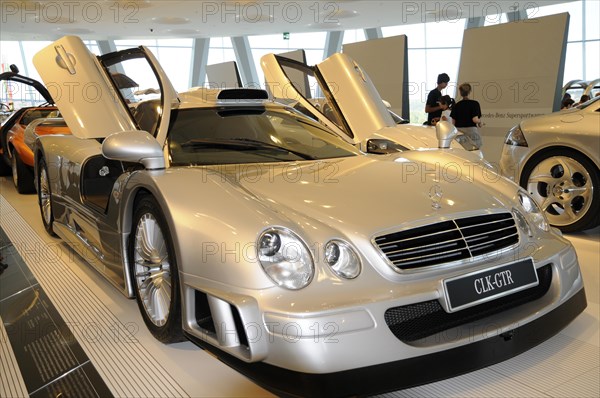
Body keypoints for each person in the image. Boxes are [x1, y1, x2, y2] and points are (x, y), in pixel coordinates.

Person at [450, 83, 483, 149]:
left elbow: (453, 123)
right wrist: (480, 122)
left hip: (459, 132)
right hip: (471, 131)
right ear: (469, 91)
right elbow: (475, 119)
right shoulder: (475, 104)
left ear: (460, 92)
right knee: (474, 151)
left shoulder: (456, 105)